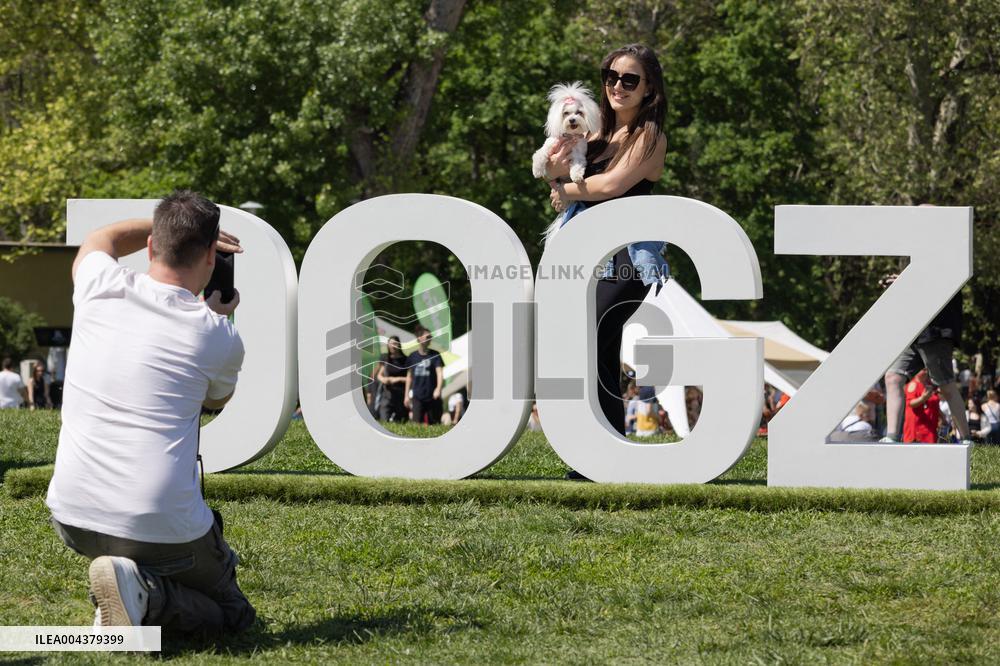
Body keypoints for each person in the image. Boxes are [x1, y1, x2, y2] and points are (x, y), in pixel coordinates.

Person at [44, 190, 256, 634]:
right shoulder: (218, 336)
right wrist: (212, 316)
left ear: (151, 248)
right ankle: (146, 593)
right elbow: (214, 402)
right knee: (234, 618)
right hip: (160, 528)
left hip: (73, 518)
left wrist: (162, 226)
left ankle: (128, 589)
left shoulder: (99, 285)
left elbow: (102, 236)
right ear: (211, 261)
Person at [545, 43, 670, 441]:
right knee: (592, 342)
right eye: (612, 76)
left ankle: (605, 441)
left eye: (630, 79)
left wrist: (568, 188)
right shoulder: (594, 131)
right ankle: (600, 443)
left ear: (648, 89)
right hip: (587, 252)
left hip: (629, 258)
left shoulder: (650, 137)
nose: (618, 85)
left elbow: (613, 186)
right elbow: (556, 177)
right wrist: (556, 178)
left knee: (596, 334)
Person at [404, 325, 444, 425]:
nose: (430, 339)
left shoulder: (435, 355)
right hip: (417, 396)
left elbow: (440, 373)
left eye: (431, 337)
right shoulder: (412, 357)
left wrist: (438, 389)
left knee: (435, 424)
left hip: (433, 396)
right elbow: (409, 377)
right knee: (416, 425)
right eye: (427, 337)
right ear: (419, 339)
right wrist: (406, 396)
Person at [902, 368, 941, 443]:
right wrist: (923, 398)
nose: (926, 372)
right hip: (918, 430)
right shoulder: (913, 384)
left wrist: (942, 417)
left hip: (930, 428)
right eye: (923, 370)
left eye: (927, 369)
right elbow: (910, 403)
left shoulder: (928, 385)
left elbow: (933, 403)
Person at [376, 335, 409, 422]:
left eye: (395, 344)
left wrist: (397, 379)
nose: (392, 346)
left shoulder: (406, 360)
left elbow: (409, 378)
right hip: (387, 394)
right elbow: (379, 375)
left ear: (399, 345)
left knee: (400, 420)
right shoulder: (385, 358)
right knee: (384, 419)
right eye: (390, 344)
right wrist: (384, 380)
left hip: (401, 394)